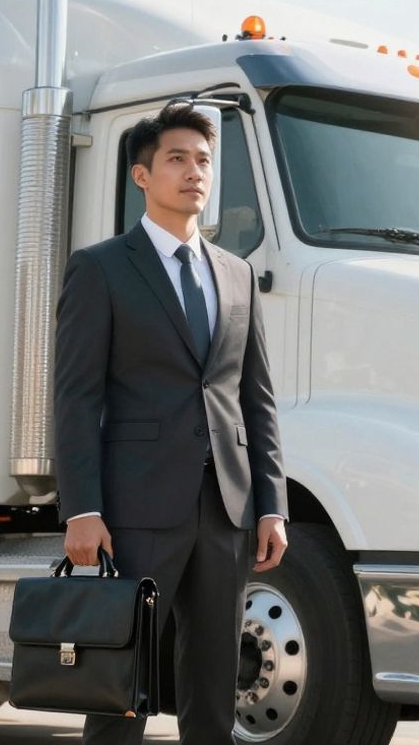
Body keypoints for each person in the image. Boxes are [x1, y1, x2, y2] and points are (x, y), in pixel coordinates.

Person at [53, 101, 290, 744]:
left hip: (226, 509)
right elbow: (75, 396)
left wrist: (272, 505)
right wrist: (81, 509)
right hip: (135, 508)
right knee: (120, 685)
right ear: (141, 175)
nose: (194, 172)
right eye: (177, 159)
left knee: (216, 685)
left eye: (204, 161)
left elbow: (256, 397)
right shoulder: (101, 268)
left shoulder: (236, 274)